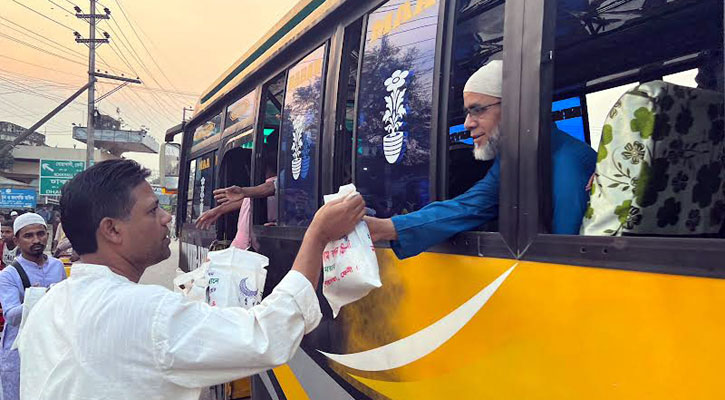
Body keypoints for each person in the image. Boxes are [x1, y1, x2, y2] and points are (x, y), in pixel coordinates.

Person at [16, 159, 364, 400]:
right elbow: (268, 334)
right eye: (153, 210)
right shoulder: (144, 312)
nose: (167, 218)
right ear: (112, 230)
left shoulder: (49, 306)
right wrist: (317, 235)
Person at [365, 60, 597, 259]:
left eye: (478, 110)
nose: (467, 123)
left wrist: (387, 228)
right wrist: (387, 228)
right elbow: (470, 206)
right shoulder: (517, 156)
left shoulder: (569, 162)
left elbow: (566, 255)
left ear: (518, 107)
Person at [0, 213, 66, 400]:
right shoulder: (8, 275)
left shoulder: (57, 266)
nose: (36, 240)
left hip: (50, 345)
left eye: (40, 233)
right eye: (28, 236)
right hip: (18, 350)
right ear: (17, 240)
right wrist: (39, 296)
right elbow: (11, 315)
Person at [196, 156, 278, 249]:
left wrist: (219, 210)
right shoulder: (257, 194)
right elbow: (247, 199)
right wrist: (219, 210)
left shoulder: (275, 186)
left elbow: (267, 189)